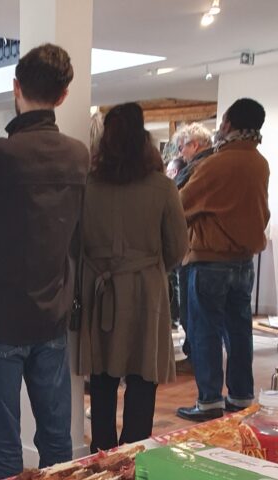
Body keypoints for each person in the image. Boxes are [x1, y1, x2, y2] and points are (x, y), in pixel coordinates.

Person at [0, 44, 89, 480]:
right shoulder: (78, 155)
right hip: (52, 310)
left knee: (1, 437)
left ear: (16, 88)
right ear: (63, 96)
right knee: (56, 434)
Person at [76, 103, 188, 450]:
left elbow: (76, 242)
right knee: (142, 375)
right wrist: (148, 267)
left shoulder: (87, 186)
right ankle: (135, 453)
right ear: (144, 139)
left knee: (102, 375)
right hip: (144, 290)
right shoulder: (163, 187)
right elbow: (177, 247)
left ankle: (102, 451)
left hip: (101, 291)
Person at [177, 98, 270, 422]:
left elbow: (181, 205)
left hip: (210, 260)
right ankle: (242, 395)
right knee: (239, 331)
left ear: (228, 123)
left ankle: (209, 401)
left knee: (206, 332)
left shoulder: (216, 164)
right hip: (244, 261)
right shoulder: (259, 162)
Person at [172, 122, 214, 361]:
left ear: (194, 145)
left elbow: (179, 203)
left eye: (182, 147)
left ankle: (195, 358)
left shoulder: (199, 170)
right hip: (201, 246)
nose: (181, 153)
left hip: (197, 246)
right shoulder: (210, 165)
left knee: (192, 310)